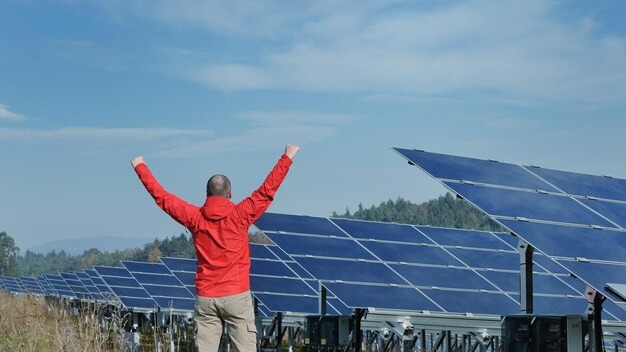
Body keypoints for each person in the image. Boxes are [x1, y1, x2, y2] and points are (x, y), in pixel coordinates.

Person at [131, 144, 300, 352]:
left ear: (206, 193)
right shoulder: (241, 214)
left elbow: (163, 198)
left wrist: (140, 167)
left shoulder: (194, 217)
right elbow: (266, 191)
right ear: (230, 193)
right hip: (237, 294)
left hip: (206, 297)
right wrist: (287, 157)